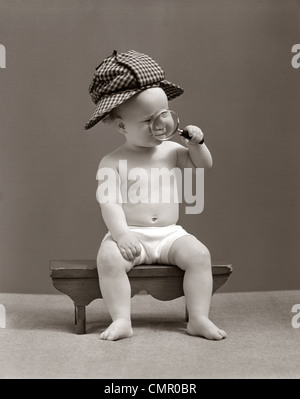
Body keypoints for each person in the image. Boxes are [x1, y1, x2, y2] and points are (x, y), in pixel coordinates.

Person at [85, 50, 227, 341]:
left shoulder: (172, 151)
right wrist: (121, 235)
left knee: (200, 255)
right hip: (130, 234)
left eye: (164, 115)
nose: (160, 125)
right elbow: (109, 202)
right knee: (109, 259)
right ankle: (122, 319)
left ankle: (198, 318)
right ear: (122, 126)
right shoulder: (111, 162)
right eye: (149, 120)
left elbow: (203, 164)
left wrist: (198, 144)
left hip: (168, 235)